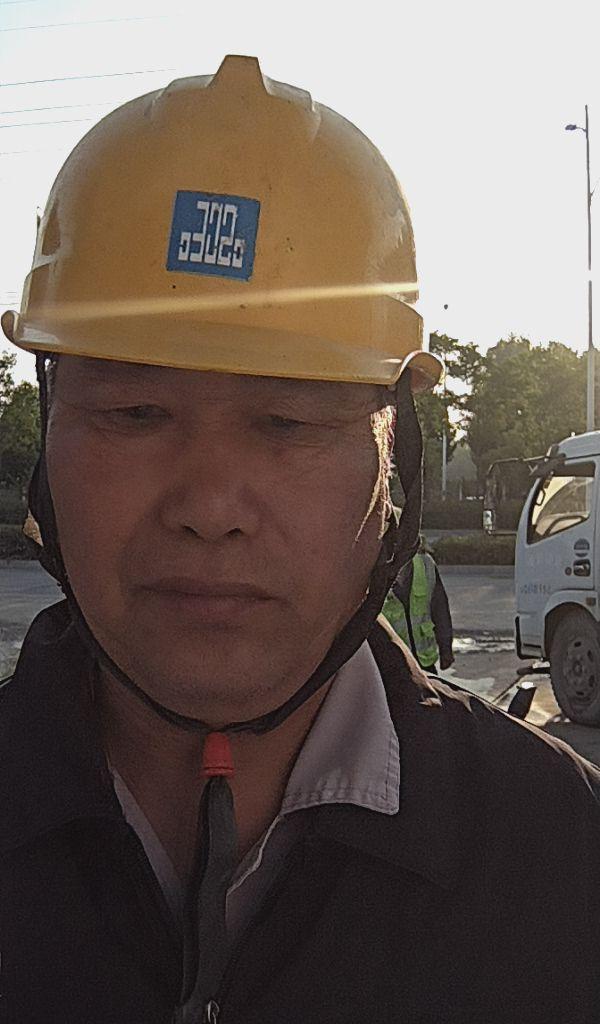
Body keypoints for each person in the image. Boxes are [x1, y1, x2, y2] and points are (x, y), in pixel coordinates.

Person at [2, 55, 600, 1024]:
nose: (210, 507)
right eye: (135, 412)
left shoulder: (564, 855)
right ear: (49, 437)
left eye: (288, 423)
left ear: (393, 461)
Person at [384, 538, 454, 672]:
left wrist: (446, 648)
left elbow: (440, 609)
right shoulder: (372, 567)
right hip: (389, 664)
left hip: (423, 661)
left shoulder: (425, 563)